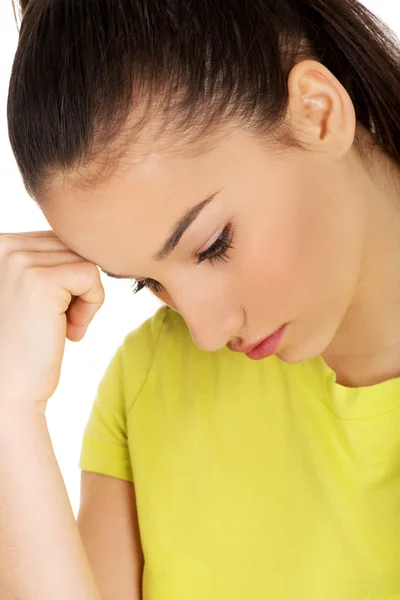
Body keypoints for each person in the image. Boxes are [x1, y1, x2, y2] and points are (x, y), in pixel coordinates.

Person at [2, 0, 400, 597]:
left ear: (318, 114)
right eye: (148, 283)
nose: (208, 335)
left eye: (212, 245)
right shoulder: (150, 380)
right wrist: (9, 415)